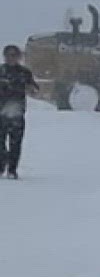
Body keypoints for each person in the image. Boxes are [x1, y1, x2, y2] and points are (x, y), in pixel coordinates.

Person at [1, 44, 40, 179]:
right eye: (8, 55)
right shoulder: (1, 71)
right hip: (1, 113)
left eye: (14, 55)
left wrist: (31, 89)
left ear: (18, 57)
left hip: (17, 113)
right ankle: (1, 165)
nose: (11, 58)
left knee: (15, 143)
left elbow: (35, 89)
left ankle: (12, 170)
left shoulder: (24, 72)